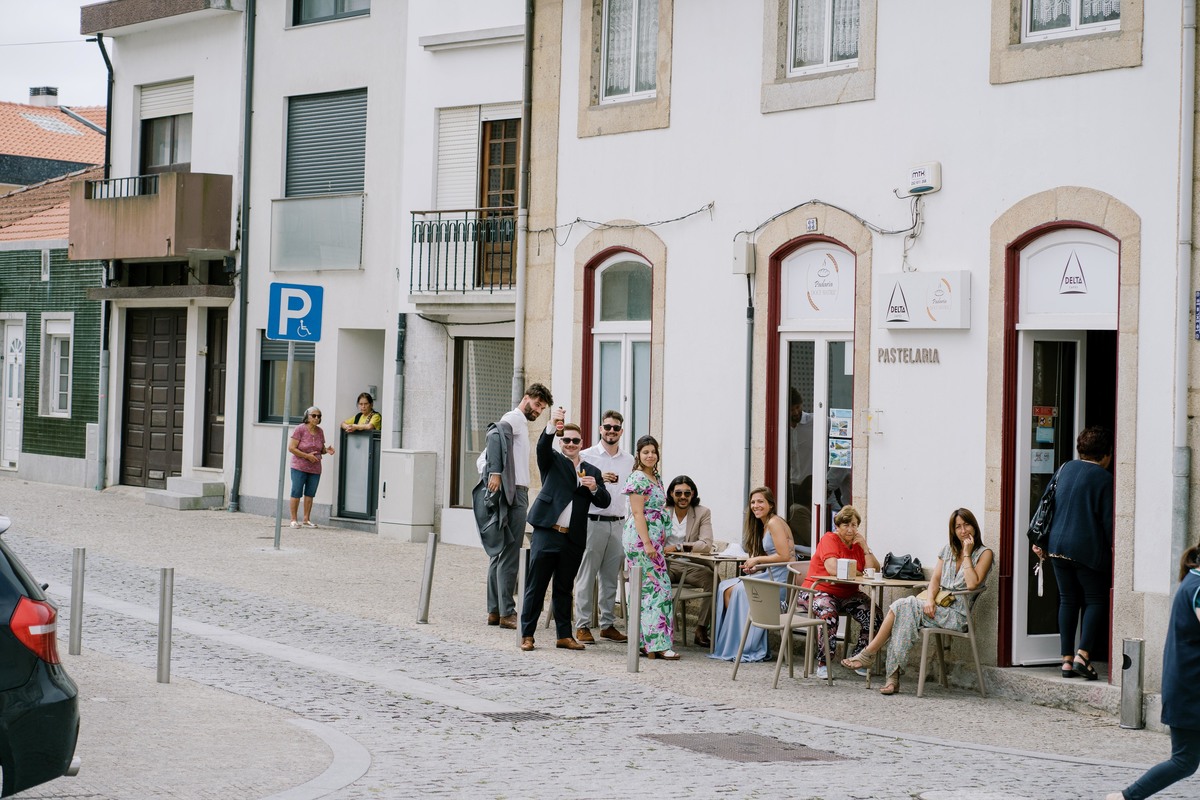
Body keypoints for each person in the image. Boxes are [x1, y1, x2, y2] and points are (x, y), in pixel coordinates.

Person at [841, 508, 994, 695]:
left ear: (975, 526)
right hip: (936, 608)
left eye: (966, 524)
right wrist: (929, 600)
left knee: (902, 606)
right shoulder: (948, 550)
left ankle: (871, 656)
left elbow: (971, 584)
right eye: (958, 527)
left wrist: (968, 553)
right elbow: (935, 580)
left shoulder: (984, 553)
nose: (963, 531)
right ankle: (891, 677)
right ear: (953, 531)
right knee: (904, 615)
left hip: (958, 615)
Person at [1107, 545, 1200, 800]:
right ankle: (1125, 797)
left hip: (1187, 686)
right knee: (1184, 760)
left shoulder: (1193, 581)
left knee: (1185, 760)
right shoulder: (1198, 588)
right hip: (1191, 691)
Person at [519, 413, 610, 652]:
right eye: (566, 440)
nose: (570, 444)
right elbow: (541, 446)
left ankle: (564, 636)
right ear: (561, 442)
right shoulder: (553, 461)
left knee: (564, 588)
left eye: (575, 441)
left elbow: (604, 501)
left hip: (573, 538)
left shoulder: (591, 470)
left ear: (582, 444)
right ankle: (527, 635)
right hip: (547, 532)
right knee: (536, 586)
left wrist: (594, 488)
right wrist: (552, 424)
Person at [1032, 425, 1114, 680]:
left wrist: (1041, 542)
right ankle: (1083, 656)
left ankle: (1066, 659)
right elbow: (1109, 521)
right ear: (1107, 453)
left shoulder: (1064, 469)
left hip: (1057, 546)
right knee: (1096, 600)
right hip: (1086, 548)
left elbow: (1046, 506)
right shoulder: (1104, 479)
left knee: (1068, 599)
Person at [475, 383, 552, 630]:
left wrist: (492, 474)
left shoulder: (516, 422)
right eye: (537, 404)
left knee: (499, 552)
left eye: (542, 408)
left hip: (509, 491)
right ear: (526, 398)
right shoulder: (514, 419)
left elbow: (481, 459)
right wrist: (496, 473)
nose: (538, 410)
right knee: (509, 552)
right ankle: (507, 612)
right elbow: (493, 435)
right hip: (514, 493)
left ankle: (495, 611)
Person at [709, 487, 794, 663]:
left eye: (761, 501)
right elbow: (775, 558)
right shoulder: (764, 524)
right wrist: (757, 567)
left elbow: (785, 556)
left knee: (738, 591)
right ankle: (737, 641)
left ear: (770, 505)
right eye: (753, 502)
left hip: (779, 582)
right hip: (771, 575)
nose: (756, 505)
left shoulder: (774, 523)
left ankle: (746, 645)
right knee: (725, 587)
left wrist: (757, 560)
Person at [797, 504, 881, 679]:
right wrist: (860, 572)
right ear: (837, 526)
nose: (850, 529)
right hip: (817, 590)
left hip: (847, 594)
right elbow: (833, 568)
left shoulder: (858, 545)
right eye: (846, 525)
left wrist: (865, 548)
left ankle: (859, 658)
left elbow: (875, 569)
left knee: (875, 615)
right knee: (829, 614)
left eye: (854, 525)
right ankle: (823, 663)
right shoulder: (829, 539)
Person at [573, 410, 633, 645]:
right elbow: (574, 486)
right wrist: (598, 481)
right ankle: (583, 625)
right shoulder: (586, 456)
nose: (611, 431)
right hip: (592, 521)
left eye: (615, 428)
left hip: (618, 522)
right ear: (600, 429)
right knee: (586, 576)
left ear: (621, 431)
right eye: (607, 426)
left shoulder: (628, 460)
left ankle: (607, 625)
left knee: (610, 578)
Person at [622, 435, 677, 659]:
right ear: (639, 455)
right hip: (640, 539)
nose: (650, 455)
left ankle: (645, 643)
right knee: (658, 590)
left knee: (647, 590)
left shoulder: (655, 477)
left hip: (653, 540)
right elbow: (637, 513)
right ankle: (658, 645)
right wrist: (647, 543)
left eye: (653, 451)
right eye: (646, 452)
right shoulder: (637, 478)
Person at [663, 475, 715, 647]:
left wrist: (679, 547)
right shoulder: (662, 510)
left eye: (687, 493)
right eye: (678, 493)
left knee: (713, 581)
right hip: (665, 564)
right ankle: (659, 629)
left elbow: (706, 544)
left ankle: (701, 629)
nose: (683, 497)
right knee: (652, 581)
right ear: (671, 493)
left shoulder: (702, 512)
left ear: (692, 494)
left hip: (689, 565)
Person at [287, 407, 334, 528]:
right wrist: (307, 456)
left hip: (315, 467)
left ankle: (306, 519)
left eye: (319, 416)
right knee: (296, 491)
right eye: (314, 416)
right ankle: (293, 519)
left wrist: (327, 450)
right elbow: (292, 448)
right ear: (307, 416)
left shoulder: (320, 431)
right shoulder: (300, 429)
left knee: (310, 493)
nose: (317, 418)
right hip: (299, 466)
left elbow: (320, 449)